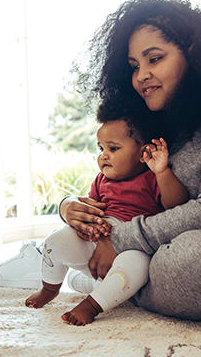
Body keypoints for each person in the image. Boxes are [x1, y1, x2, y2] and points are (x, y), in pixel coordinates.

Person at [0, 0, 201, 319]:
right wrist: (69, 208)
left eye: (155, 59)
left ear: (195, 55)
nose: (141, 75)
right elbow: (122, 185)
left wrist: (115, 237)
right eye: (134, 66)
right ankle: (85, 271)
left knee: (184, 263)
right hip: (172, 237)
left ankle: (92, 280)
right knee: (146, 257)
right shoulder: (168, 118)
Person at [32, 105, 188, 325]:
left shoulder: (152, 178)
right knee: (55, 241)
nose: (103, 156)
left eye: (113, 149)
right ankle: (50, 287)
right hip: (95, 244)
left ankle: (92, 304)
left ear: (143, 154)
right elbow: (90, 209)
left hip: (132, 248)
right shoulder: (101, 180)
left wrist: (162, 172)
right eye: (100, 148)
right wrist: (84, 225)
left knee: (136, 266)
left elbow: (177, 204)